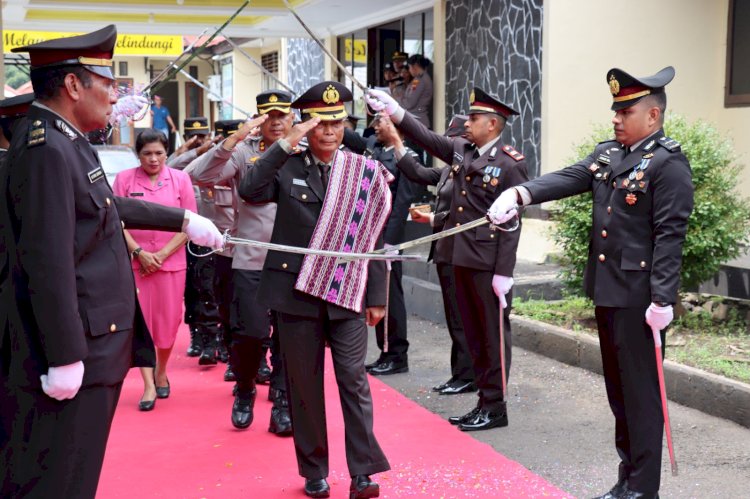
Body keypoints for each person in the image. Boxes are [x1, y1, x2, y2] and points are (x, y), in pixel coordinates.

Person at [0, 25, 222, 498]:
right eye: (107, 81)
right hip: (77, 346)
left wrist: (181, 216)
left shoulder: (67, 139)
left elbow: (101, 204)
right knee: (59, 478)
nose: (114, 94)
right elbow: (47, 256)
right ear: (74, 85)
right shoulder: (47, 149)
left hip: (97, 338)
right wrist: (64, 355)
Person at [489, 66, 693, 499]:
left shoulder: (667, 163)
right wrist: (521, 194)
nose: (616, 117)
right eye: (615, 110)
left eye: (626, 110)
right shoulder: (611, 154)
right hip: (608, 291)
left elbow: (669, 235)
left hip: (640, 300)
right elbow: (570, 176)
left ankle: (643, 489)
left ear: (653, 116)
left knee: (641, 398)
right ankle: (628, 478)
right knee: (619, 395)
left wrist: (662, 298)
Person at [239, 81, 391, 499]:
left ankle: (363, 472)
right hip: (296, 294)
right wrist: (286, 143)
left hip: (347, 291)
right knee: (304, 385)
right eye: (321, 123)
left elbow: (371, 236)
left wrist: (376, 295)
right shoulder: (286, 165)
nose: (330, 131)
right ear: (307, 125)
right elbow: (249, 190)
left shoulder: (360, 170)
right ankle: (314, 470)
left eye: (337, 123)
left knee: (353, 379)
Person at [366, 86, 529, 431]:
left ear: (494, 124)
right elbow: (424, 138)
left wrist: (504, 272)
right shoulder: (461, 149)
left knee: (492, 337)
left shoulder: (510, 164)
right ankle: (483, 401)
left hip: (487, 265)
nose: (467, 123)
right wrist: (395, 110)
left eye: (474, 118)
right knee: (473, 335)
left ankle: (495, 406)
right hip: (460, 259)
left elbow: (513, 224)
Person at [187, 90, 295, 436]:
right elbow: (201, 177)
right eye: (269, 117)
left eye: (282, 115)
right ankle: (246, 388)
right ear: (259, 119)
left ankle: (281, 402)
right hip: (249, 259)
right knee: (250, 332)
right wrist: (233, 139)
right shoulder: (245, 152)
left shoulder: (301, 153)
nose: (276, 123)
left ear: (292, 117)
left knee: (288, 338)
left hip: (291, 260)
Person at [380, 114, 476, 394]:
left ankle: (467, 376)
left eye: (451, 140)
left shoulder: (473, 171)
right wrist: (398, 142)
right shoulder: (450, 170)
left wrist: (435, 218)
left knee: (462, 320)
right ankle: (459, 373)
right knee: (454, 320)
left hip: (463, 254)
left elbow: (465, 212)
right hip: (446, 253)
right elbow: (419, 173)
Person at [113, 130, 198, 411]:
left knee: (168, 323)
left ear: (166, 153)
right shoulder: (124, 180)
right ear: (138, 154)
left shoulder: (180, 180)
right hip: (136, 265)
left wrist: (160, 255)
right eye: (147, 153)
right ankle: (149, 383)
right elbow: (116, 222)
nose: (153, 159)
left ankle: (161, 369)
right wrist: (139, 253)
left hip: (170, 264)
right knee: (142, 324)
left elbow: (190, 224)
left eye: (159, 153)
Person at [343, 115, 418, 375]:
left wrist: (392, 242)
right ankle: (384, 351)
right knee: (376, 295)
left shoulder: (406, 157)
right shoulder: (374, 149)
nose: (375, 127)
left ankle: (396, 354)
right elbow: (349, 137)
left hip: (388, 237)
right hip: (371, 235)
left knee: (389, 297)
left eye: (381, 123)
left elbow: (402, 203)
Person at [172, 118, 234, 368]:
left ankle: (222, 340)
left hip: (229, 238)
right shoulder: (199, 161)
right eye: (193, 136)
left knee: (223, 293)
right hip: (200, 238)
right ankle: (202, 337)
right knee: (197, 289)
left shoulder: (235, 162)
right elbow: (176, 170)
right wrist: (197, 150)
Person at [401, 55, 433, 128]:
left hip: (418, 122)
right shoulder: (418, 78)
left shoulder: (420, 80)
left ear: (415, 66)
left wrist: (397, 99)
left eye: (409, 67)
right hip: (417, 121)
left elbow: (409, 103)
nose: (409, 70)